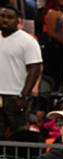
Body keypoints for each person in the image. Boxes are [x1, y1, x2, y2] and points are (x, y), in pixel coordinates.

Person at [0, 5, 42, 138]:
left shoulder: (28, 41)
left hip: (16, 95)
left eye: (10, 17)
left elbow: (35, 69)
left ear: (18, 20)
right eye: (2, 16)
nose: (5, 20)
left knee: (19, 134)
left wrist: (24, 95)